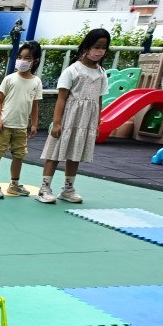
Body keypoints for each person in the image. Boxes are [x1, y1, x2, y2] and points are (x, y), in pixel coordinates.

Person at [37, 29, 111, 205]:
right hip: (69, 118)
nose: (100, 51)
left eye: (104, 48)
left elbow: (99, 100)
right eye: (97, 47)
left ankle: (68, 189)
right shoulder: (73, 70)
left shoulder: (101, 73)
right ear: (86, 47)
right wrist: (57, 123)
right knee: (55, 152)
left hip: (86, 121)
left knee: (75, 153)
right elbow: (61, 98)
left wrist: (97, 122)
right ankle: (44, 188)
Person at [0, 41, 43, 199]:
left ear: (35, 61)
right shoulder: (9, 79)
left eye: (27, 58)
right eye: (20, 57)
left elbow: (35, 105)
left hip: (21, 126)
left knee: (19, 155)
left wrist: (34, 124)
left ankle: (14, 184)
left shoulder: (36, 82)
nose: (22, 61)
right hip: (3, 125)